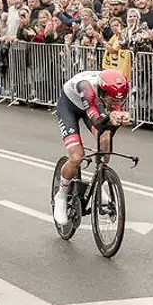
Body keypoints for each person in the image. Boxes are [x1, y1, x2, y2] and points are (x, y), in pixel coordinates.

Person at [53, 69, 131, 225]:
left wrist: (119, 119)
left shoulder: (114, 93)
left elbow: (107, 126)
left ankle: (98, 181)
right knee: (76, 157)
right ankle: (61, 196)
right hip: (70, 106)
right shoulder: (86, 87)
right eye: (111, 101)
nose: (115, 105)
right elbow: (96, 120)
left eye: (118, 101)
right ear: (102, 92)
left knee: (105, 139)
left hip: (94, 104)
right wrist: (110, 117)